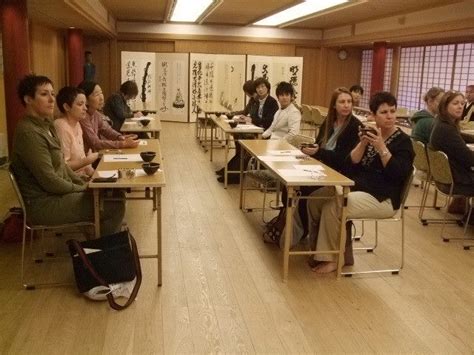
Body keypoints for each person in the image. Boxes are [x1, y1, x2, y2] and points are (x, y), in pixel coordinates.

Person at [306, 92, 414, 274]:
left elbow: (398, 173)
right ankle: (321, 251)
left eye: (392, 111)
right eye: (384, 112)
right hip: (359, 187)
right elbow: (351, 163)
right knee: (315, 199)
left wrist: (381, 147)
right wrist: (363, 143)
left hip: (383, 197)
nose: (389, 116)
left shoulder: (403, 142)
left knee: (335, 206)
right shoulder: (371, 135)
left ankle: (333, 258)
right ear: (373, 115)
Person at [10, 74, 125, 235]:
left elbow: (62, 167)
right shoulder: (29, 133)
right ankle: (101, 253)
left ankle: (97, 247)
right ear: (28, 99)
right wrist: (81, 188)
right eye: (44, 94)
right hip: (44, 203)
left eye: (52, 93)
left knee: (114, 194)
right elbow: (49, 180)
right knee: (114, 204)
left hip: (56, 195)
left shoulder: (46, 125)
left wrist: (81, 182)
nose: (51, 99)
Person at [264, 87, 362, 246]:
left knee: (305, 190)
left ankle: (293, 234)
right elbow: (318, 143)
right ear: (334, 105)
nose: (346, 105)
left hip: (340, 174)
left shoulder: (354, 127)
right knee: (287, 185)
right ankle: (285, 223)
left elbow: (344, 159)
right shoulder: (330, 121)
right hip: (321, 166)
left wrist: (319, 152)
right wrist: (310, 150)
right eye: (342, 102)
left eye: (349, 102)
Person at [430, 91, 474, 192]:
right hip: (454, 180)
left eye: (462, 104)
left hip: (444, 176)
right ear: (444, 106)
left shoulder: (440, 122)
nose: (460, 107)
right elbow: (469, 159)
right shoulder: (446, 129)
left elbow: (459, 136)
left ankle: (461, 206)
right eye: (455, 103)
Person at [78, 81, 139, 152]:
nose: (101, 98)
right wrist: (122, 144)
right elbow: (95, 143)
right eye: (96, 94)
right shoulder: (83, 117)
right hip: (88, 159)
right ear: (85, 100)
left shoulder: (95, 113)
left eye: (101, 93)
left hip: (94, 155)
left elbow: (107, 130)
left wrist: (120, 137)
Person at [216, 80, 258, 181]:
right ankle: (230, 170)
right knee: (238, 143)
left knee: (242, 147)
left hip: (257, 130)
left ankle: (235, 175)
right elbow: (245, 111)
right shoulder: (252, 100)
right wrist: (232, 113)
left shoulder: (259, 101)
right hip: (251, 127)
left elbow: (255, 117)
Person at [54, 86, 98, 179]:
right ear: (66, 107)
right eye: (80, 104)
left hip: (82, 176)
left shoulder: (77, 123)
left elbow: (82, 160)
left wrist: (94, 174)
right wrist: (87, 160)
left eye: (85, 104)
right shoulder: (61, 126)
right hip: (70, 180)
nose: (85, 108)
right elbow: (63, 166)